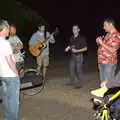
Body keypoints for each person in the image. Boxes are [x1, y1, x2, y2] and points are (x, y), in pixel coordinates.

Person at [0, 20, 20, 120]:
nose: (9, 30)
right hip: (11, 76)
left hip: (2, 75)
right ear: (4, 29)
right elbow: (9, 61)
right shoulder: (5, 43)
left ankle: (7, 118)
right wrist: (16, 72)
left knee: (6, 99)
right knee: (13, 101)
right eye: (8, 28)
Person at [96, 18, 120, 84]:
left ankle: (109, 94)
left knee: (108, 83)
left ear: (111, 25)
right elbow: (104, 47)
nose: (103, 27)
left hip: (109, 63)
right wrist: (99, 42)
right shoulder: (108, 34)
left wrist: (101, 43)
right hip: (102, 61)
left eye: (105, 25)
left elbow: (112, 50)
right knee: (103, 83)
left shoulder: (116, 35)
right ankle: (104, 94)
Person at [65, 24, 88, 89]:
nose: (74, 30)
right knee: (71, 69)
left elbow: (86, 48)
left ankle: (80, 84)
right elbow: (71, 45)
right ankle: (72, 81)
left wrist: (77, 51)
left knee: (79, 71)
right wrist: (68, 48)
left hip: (79, 56)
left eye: (75, 29)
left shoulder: (82, 38)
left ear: (78, 30)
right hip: (72, 56)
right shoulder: (71, 37)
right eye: (73, 29)